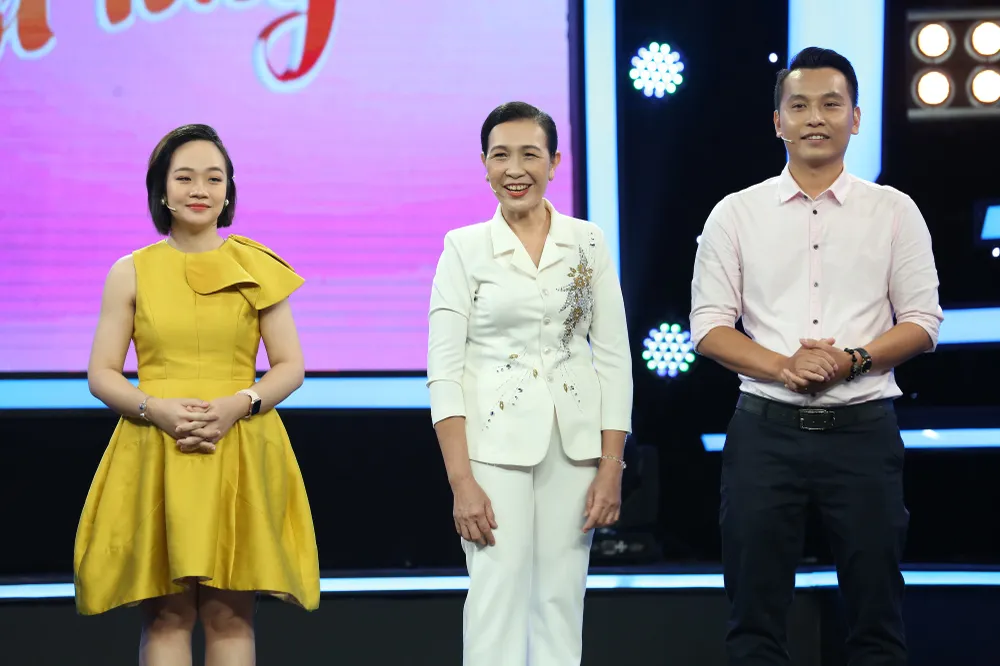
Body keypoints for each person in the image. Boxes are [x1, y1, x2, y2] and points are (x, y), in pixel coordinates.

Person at [690, 47, 944, 665]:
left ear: (855, 118)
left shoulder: (895, 211)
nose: (815, 118)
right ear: (777, 121)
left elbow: (923, 322)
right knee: (754, 623)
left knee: (877, 620)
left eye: (831, 105)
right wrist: (785, 366)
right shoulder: (735, 213)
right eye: (799, 105)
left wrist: (851, 360)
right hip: (764, 434)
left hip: (863, 433)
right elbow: (708, 328)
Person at [74, 124, 320, 665]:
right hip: (156, 446)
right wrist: (154, 409)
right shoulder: (130, 271)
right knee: (166, 616)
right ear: (162, 190)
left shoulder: (257, 266)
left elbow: (290, 366)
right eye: (184, 178)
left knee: (231, 615)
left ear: (229, 191)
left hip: (239, 444)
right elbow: (102, 373)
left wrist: (238, 405)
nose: (200, 190)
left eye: (214, 178)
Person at [427, 101, 633, 665]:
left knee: (561, 600)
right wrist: (461, 481)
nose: (514, 169)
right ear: (484, 165)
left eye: (529, 155)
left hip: (576, 446)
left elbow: (614, 359)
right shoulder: (464, 248)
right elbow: (443, 371)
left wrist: (611, 466)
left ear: (554, 162)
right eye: (501, 156)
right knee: (496, 597)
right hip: (491, 450)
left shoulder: (588, 242)